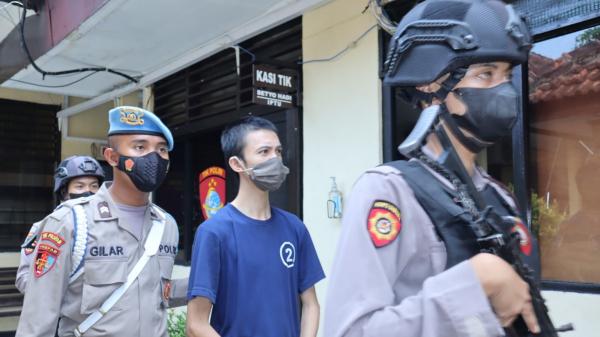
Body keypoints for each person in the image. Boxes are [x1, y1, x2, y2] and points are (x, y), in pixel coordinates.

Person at [324, 1, 542, 336]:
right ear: (431, 85)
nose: (504, 90)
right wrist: (475, 281)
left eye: (507, 75)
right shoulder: (390, 192)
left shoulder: (499, 198)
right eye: (485, 74)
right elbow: (351, 331)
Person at [16, 106, 186, 337]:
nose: (154, 157)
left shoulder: (166, 225)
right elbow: (38, 320)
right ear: (112, 157)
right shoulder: (69, 222)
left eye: (162, 149)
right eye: (140, 147)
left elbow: (156, 294)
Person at [186, 116, 325, 337]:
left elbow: (311, 304)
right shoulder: (214, 232)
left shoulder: (294, 227)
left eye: (278, 151)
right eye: (264, 152)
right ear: (236, 164)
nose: (275, 159)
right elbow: (196, 324)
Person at [15, 155, 105, 293]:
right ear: (64, 192)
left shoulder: (110, 225)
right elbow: (24, 278)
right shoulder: (46, 227)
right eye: (79, 186)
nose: (89, 192)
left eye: (94, 186)